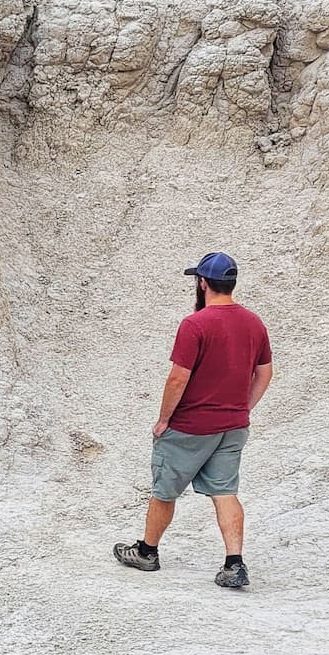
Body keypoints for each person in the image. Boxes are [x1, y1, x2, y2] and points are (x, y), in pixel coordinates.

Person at [114, 251, 273, 589]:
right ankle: (234, 563)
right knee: (226, 491)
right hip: (232, 427)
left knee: (165, 491)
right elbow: (265, 372)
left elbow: (177, 378)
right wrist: (243, 407)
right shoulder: (254, 322)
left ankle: (146, 552)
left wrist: (163, 420)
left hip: (190, 426)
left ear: (202, 283)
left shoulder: (195, 324)